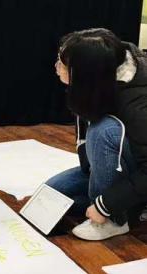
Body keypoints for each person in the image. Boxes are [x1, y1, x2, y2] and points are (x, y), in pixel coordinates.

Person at [46, 28, 147, 240]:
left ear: (85, 71)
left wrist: (105, 206)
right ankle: (123, 203)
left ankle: (116, 219)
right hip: (123, 163)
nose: (57, 67)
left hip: (140, 169)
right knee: (52, 195)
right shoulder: (99, 80)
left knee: (104, 130)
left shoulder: (137, 104)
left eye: (64, 65)